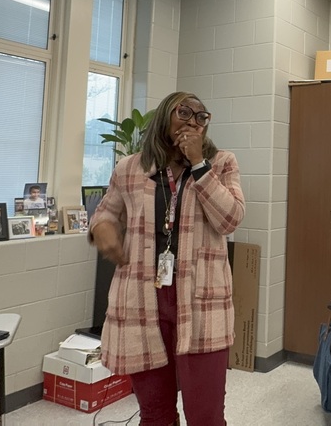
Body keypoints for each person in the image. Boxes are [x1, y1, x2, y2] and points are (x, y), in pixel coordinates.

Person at [89, 91, 245, 426]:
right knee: (155, 413)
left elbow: (230, 219)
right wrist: (103, 230)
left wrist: (199, 165)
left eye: (201, 117)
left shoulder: (221, 163)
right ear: (164, 116)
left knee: (205, 416)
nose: (193, 121)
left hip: (202, 303)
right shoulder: (130, 168)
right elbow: (105, 214)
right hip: (142, 301)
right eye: (184, 112)